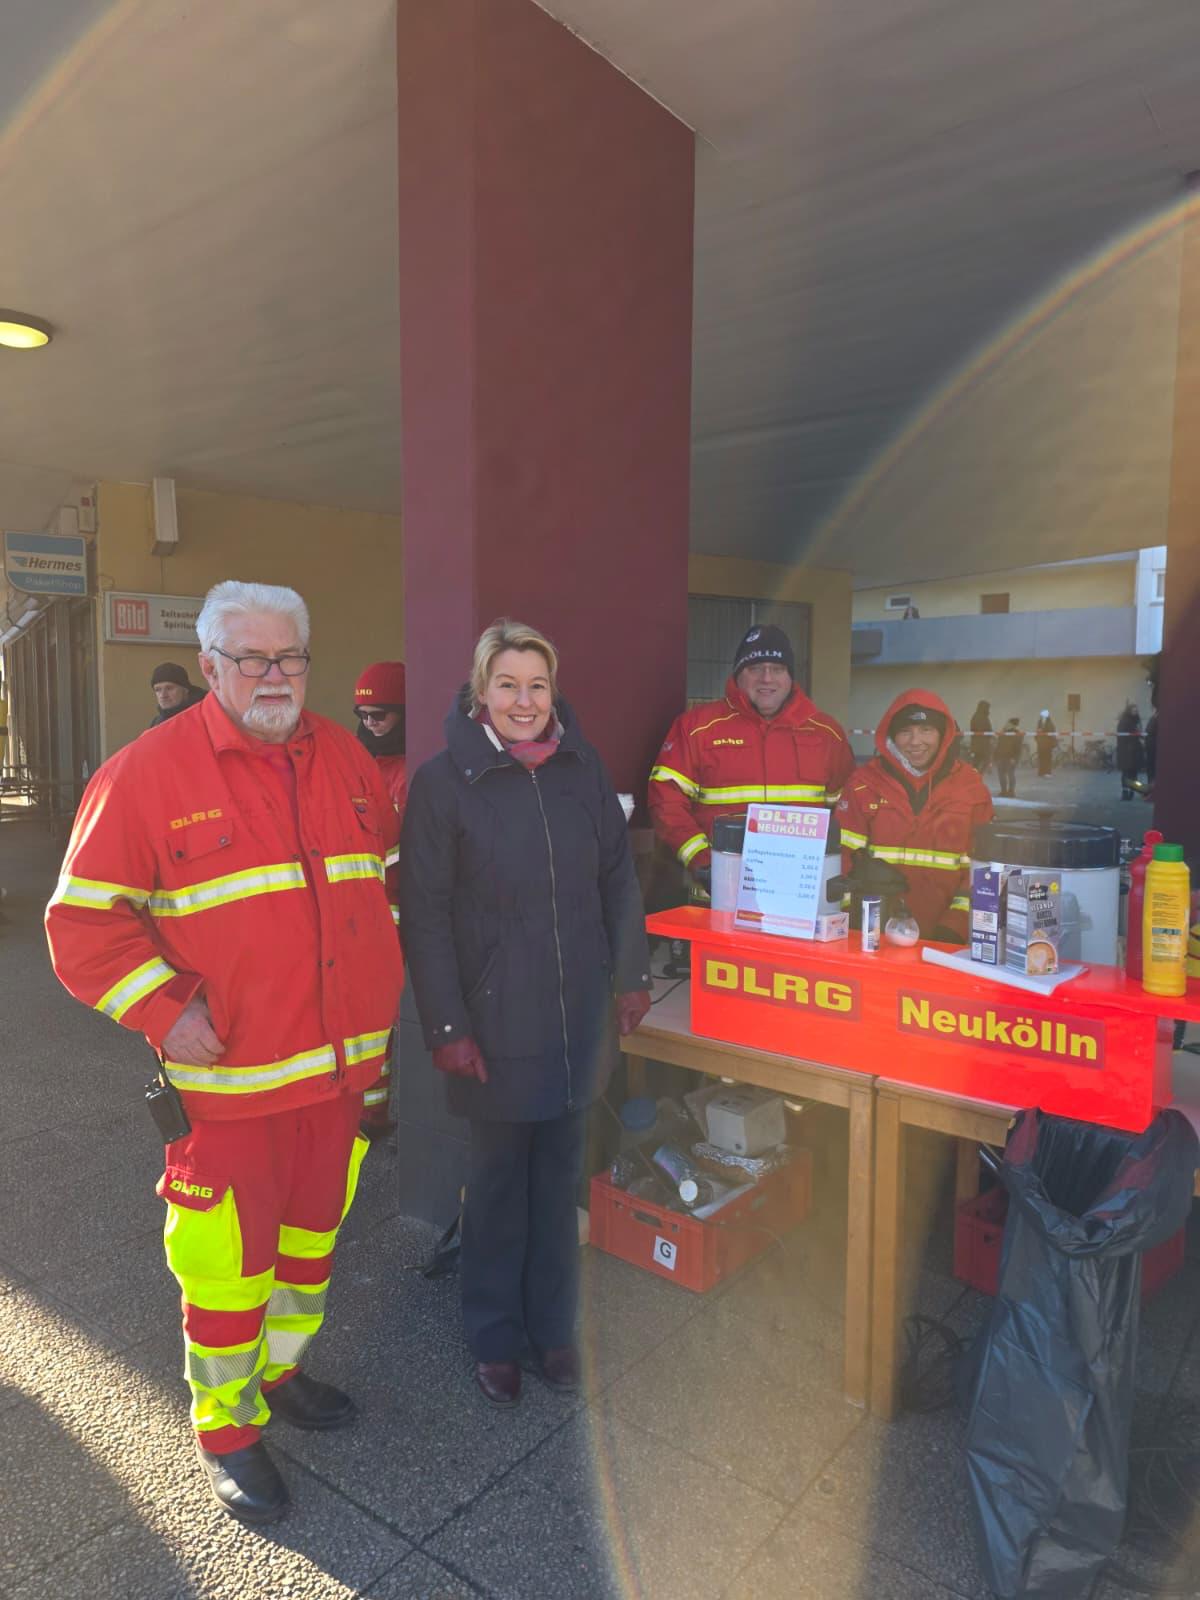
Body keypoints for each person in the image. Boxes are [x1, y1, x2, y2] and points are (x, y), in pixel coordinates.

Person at [45, 580, 403, 1525]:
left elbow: (380, 883)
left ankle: (281, 1374)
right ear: (210, 667)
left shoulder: (345, 759)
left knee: (310, 1244)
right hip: (231, 1085)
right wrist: (163, 1012)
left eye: (290, 657)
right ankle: (226, 1425)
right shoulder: (143, 774)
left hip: (337, 1076)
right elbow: (81, 926)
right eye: (251, 659)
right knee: (227, 1267)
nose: (274, 676)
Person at [400, 619, 651, 1408]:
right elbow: (425, 914)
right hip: (494, 1024)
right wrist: (446, 1026)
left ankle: (552, 1329)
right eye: (507, 684)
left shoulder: (582, 767)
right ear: (482, 691)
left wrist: (631, 977)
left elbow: (617, 880)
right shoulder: (444, 782)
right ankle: (493, 1335)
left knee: (560, 1183)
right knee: (499, 1187)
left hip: (578, 1019)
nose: (524, 700)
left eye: (537, 685)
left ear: (553, 692)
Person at [648, 623, 855, 893]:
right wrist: (704, 861)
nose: (767, 678)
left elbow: (851, 811)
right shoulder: (697, 728)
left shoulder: (827, 733)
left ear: (790, 677)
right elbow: (666, 802)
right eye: (755, 668)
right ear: (738, 675)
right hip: (720, 892)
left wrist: (838, 871)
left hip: (802, 893)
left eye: (777, 669)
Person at [838, 689, 993, 943]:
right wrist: (852, 918)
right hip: (872, 934)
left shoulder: (971, 788)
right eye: (905, 731)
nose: (915, 741)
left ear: (943, 734)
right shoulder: (863, 784)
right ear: (891, 736)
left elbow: (984, 869)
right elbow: (843, 857)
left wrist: (956, 926)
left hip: (947, 940)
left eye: (926, 730)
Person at [352, 660, 408, 1137]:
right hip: (357, 917)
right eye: (363, 715)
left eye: (380, 715)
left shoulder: (411, 771)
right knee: (361, 1019)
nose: (370, 724)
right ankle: (368, 1110)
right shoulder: (355, 762)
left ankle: (376, 1111)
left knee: (386, 1019)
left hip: (396, 917)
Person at [150, 661, 207, 725]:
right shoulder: (156, 723)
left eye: (169, 688)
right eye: (158, 690)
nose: (163, 695)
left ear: (185, 690)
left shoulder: (205, 713)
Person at [1116, 702, 1144, 801]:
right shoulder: (1125, 721)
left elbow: (1138, 733)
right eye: (1133, 710)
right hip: (1126, 752)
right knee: (1126, 773)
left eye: (1136, 710)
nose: (1135, 712)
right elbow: (1122, 737)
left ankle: (1132, 792)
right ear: (1129, 711)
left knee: (1134, 774)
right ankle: (1125, 793)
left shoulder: (1136, 720)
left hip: (1134, 752)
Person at [994, 717, 1023, 798]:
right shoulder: (1003, 732)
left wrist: (1014, 758)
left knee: (1010, 774)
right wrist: (995, 756)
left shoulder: (1017, 734)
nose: (1006, 724)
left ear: (1012, 725)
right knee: (1001, 774)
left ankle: (1011, 791)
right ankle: (1003, 791)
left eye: (1008, 723)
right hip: (1001, 756)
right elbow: (998, 745)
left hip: (1010, 757)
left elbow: (1018, 747)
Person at [968, 700, 993, 774]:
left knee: (978, 762)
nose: (988, 709)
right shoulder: (981, 717)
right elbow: (984, 729)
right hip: (982, 744)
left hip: (978, 744)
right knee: (984, 761)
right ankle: (977, 775)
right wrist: (990, 734)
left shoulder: (978, 716)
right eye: (987, 707)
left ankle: (976, 775)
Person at [1035, 709, 1057, 777]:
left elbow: (1051, 732)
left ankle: (1047, 772)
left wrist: (1042, 731)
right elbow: (1036, 732)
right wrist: (1037, 739)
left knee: (1047, 758)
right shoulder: (1039, 722)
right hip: (1041, 744)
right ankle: (1041, 772)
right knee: (1041, 758)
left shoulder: (1050, 723)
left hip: (1047, 744)